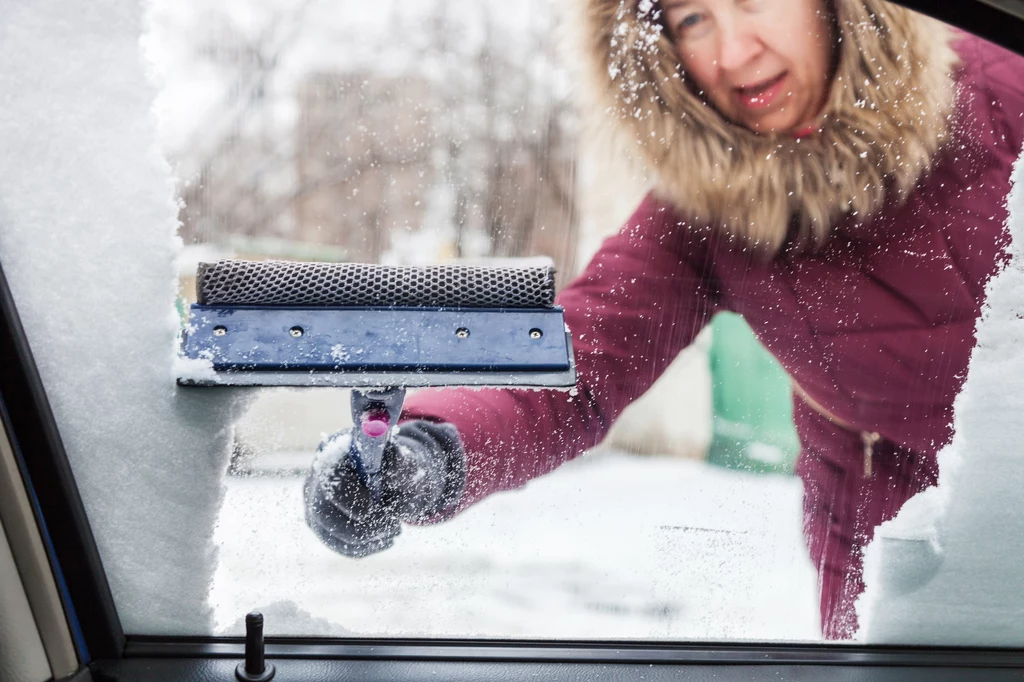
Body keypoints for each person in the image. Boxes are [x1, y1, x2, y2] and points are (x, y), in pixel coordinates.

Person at [304, 0, 1024, 639]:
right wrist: (425, 453)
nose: (734, 53)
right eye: (691, 19)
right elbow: (580, 361)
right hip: (886, 509)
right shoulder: (707, 213)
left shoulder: (996, 90)